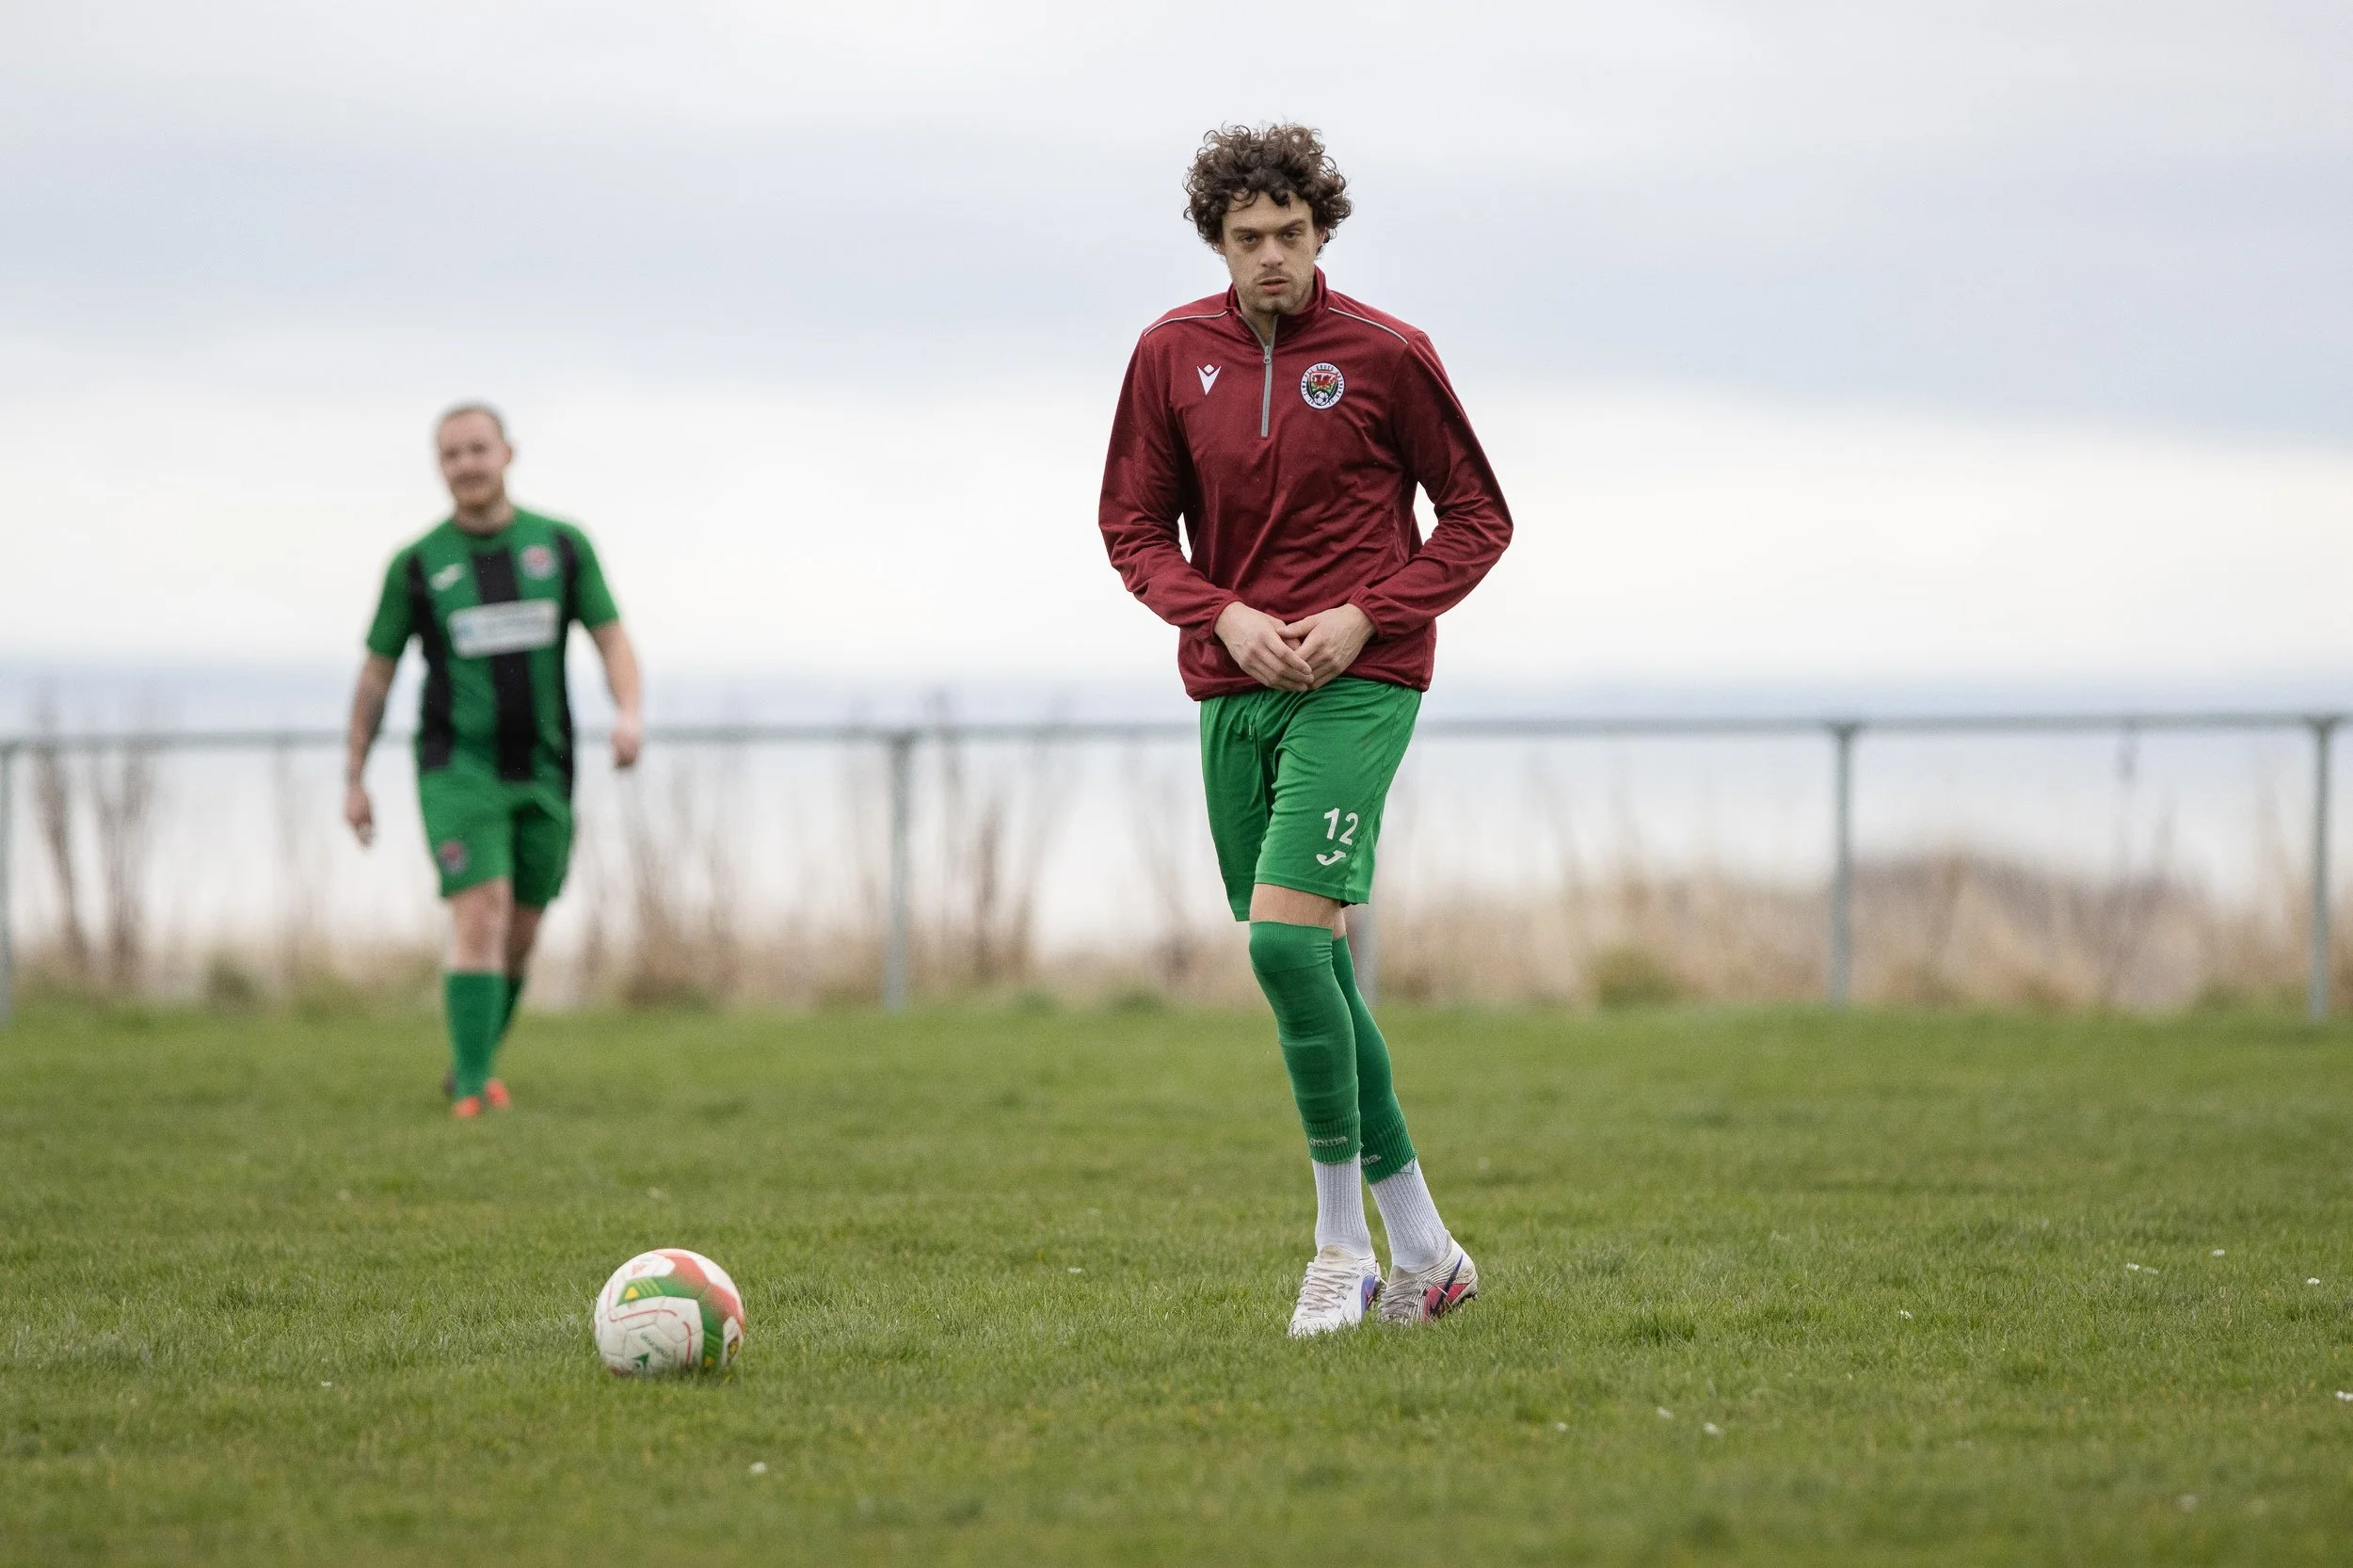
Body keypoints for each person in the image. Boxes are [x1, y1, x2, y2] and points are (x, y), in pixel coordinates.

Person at [1098, 124, 1514, 1335]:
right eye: (1247, 239)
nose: (1271, 256)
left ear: (1322, 230)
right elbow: (1132, 528)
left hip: (1362, 681)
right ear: (1216, 243)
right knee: (1311, 957)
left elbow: (1477, 518)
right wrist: (1217, 614)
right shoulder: (1169, 354)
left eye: (1290, 234)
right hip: (1231, 688)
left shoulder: (1390, 355)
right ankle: (1427, 1249)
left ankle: (1340, 1246)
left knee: (1284, 950)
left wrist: (1364, 615)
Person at [343, 404, 642, 1117]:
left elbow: (612, 640)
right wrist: (353, 777)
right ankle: (474, 1093)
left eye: (478, 449)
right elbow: (376, 675)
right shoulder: (417, 565)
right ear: (439, 468)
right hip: (458, 767)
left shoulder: (562, 547)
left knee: (521, 931)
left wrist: (629, 713)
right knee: (480, 910)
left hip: (544, 769)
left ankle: (470, 1062)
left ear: (507, 453)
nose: (466, 465)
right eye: (451, 455)